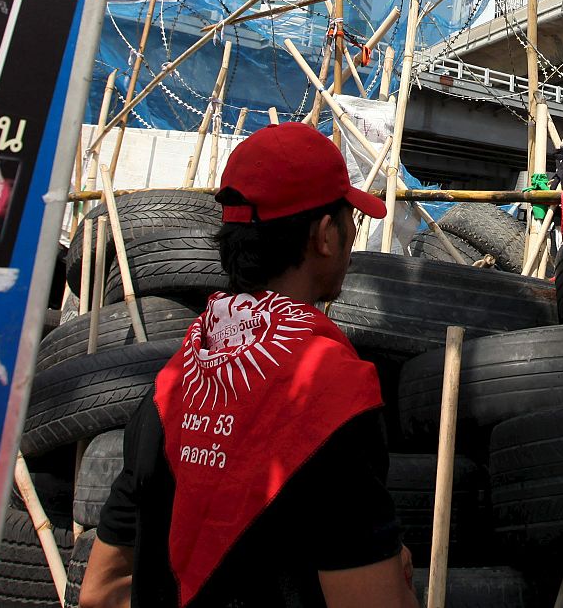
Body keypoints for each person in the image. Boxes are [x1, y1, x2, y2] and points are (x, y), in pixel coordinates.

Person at [80, 123, 420, 608]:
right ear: (325, 235)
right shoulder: (335, 397)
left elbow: (100, 593)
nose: (351, 241)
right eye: (351, 224)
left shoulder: (169, 386)